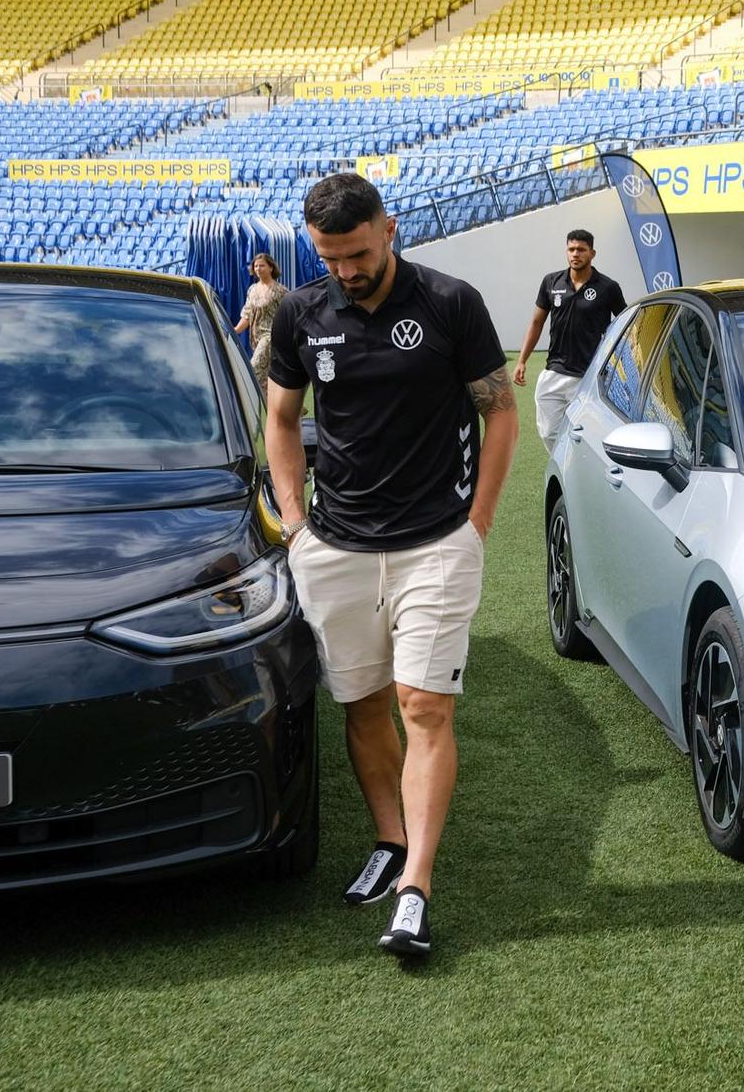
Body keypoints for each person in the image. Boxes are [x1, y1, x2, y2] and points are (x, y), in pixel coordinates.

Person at [264, 172, 515, 960]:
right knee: (363, 702)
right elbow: (280, 417)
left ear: (390, 228)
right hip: (335, 548)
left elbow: (500, 408)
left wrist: (478, 522)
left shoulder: (450, 302)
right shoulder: (301, 312)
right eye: (331, 257)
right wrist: (298, 524)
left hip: (436, 542)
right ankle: (389, 839)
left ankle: (416, 890)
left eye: (359, 253)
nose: (347, 270)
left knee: (423, 705)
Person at [514, 229, 628, 441]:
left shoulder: (609, 288)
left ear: (592, 253)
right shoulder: (551, 282)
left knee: (587, 439)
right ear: (566, 251)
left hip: (589, 376)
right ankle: (564, 471)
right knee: (549, 434)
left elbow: (624, 326)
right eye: (571, 249)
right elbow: (536, 322)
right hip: (554, 372)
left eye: (581, 250)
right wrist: (522, 360)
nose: (576, 254)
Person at [232, 252, 289, 394]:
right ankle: (288, 406)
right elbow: (247, 314)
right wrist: (236, 330)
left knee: (254, 369)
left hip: (271, 337)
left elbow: (290, 312)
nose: (258, 269)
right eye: (256, 266)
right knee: (266, 379)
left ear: (270, 267)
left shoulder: (280, 291)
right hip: (256, 338)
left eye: (262, 265)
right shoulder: (252, 290)